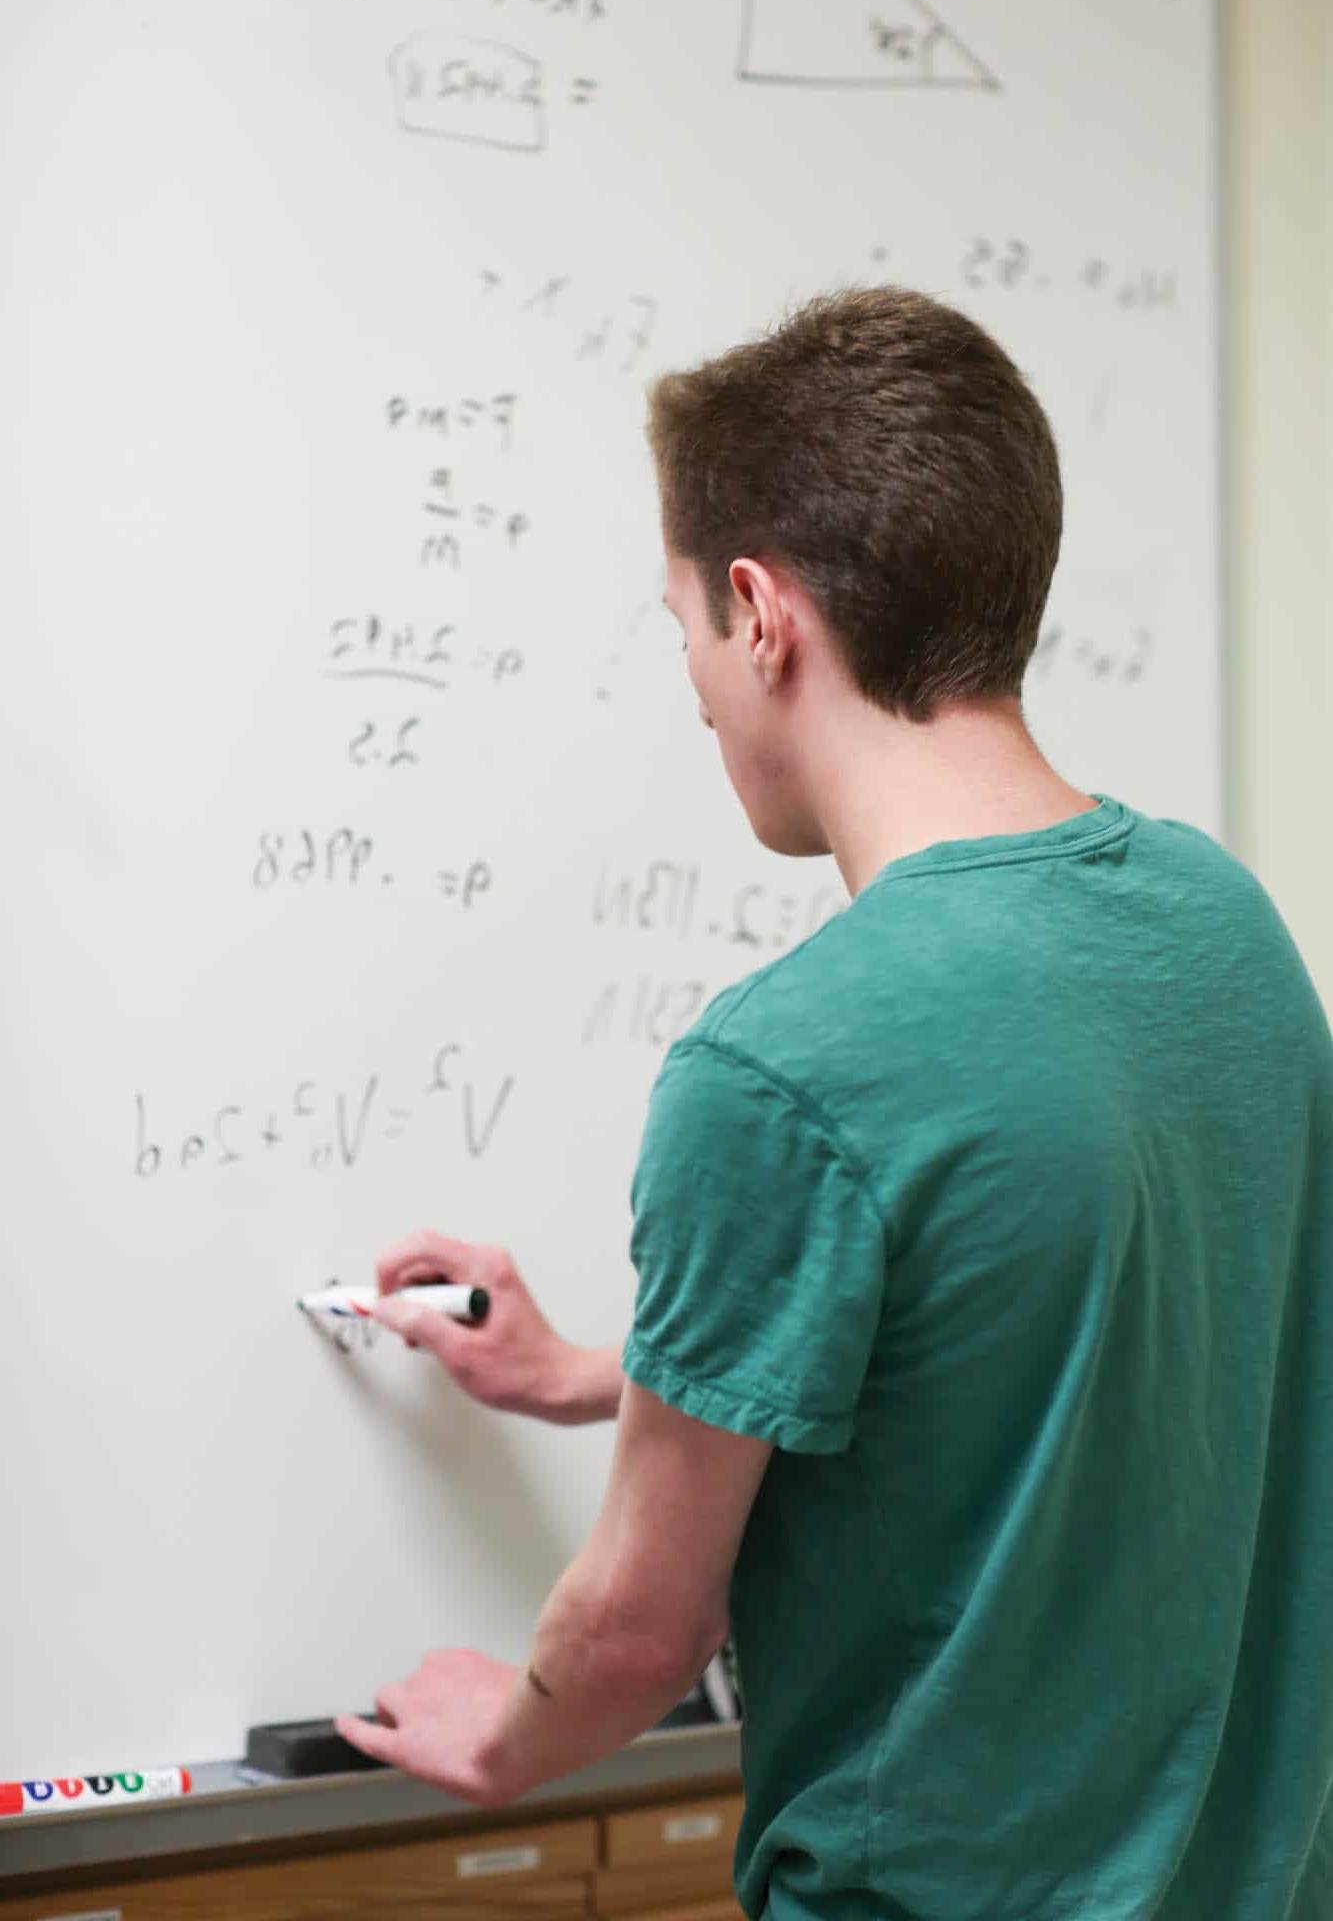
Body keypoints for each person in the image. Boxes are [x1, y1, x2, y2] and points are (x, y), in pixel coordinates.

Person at [337, 287, 1333, 1920]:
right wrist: (601, 1373)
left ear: (760, 612)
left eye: (682, 635)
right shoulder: (1222, 929)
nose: (696, 690)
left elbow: (638, 1633)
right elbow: (1040, 1329)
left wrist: (501, 1739)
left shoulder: (787, 1065)